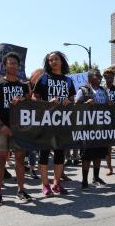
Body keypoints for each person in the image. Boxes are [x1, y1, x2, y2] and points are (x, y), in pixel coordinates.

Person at [0, 52, 31, 206]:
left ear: (18, 66)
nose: (13, 65)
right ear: (4, 65)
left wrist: (23, 98)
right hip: (3, 128)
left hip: (20, 129)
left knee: (20, 159)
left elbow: (31, 103)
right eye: (10, 63)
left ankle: (21, 190)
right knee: (1, 160)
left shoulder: (24, 86)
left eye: (15, 63)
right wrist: (0, 125)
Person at [33, 51, 76, 196]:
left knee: (59, 154)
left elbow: (73, 100)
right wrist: (47, 103)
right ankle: (45, 185)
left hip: (62, 122)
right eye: (50, 60)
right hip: (45, 121)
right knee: (44, 154)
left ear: (61, 61)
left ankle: (57, 183)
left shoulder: (68, 80)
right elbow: (34, 99)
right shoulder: (43, 78)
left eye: (56, 59)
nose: (53, 62)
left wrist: (69, 101)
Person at [75, 69, 109, 189]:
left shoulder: (104, 91)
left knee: (98, 154)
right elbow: (75, 106)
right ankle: (84, 180)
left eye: (100, 76)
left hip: (101, 128)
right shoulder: (83, 90)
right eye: (97, 75)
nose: (100, 77)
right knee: (87, 155)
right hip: (87, 128)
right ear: (89, 78)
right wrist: (84, 104)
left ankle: (96, 177)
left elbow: (108, 104)